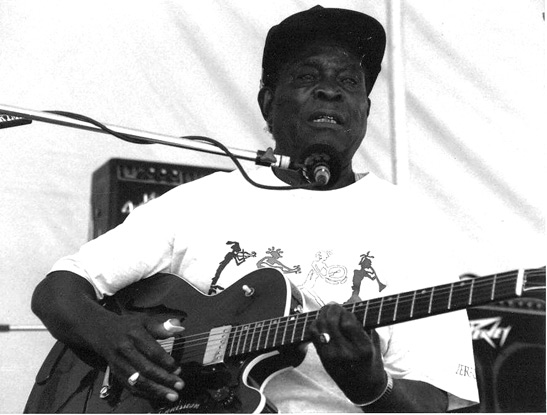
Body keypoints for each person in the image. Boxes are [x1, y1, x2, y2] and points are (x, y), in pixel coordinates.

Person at [30, 5, 479, 413]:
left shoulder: (409, 226)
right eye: (307, 77)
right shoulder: (201, 202)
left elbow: (433, 405)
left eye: (348, 81)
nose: (330, 91)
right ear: (268, 103)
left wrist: (371, 386)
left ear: (364, 109)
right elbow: (58, 290)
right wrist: (114, 339)